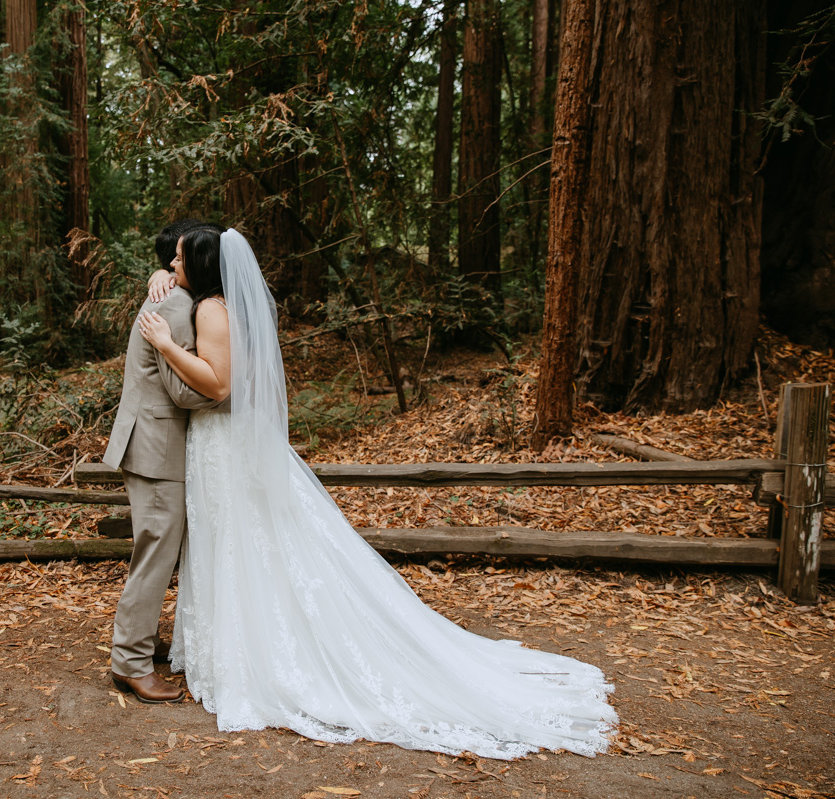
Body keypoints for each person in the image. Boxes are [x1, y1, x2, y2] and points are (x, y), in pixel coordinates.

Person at [135, 227, 617, 758]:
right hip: (231, 442)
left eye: (178, 259)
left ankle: (256, 653)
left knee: (240, 543)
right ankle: (243, 641)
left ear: (202, 266)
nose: (171, 264)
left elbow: (219, 384)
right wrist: (162, 282)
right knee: (249, 543)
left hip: (223, 445)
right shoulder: (230, 304)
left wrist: (164, 344)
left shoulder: (210, 310)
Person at [102, 220, 225, 703]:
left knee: (156, 549)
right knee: (155, 553)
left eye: (179, 259)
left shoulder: (175, 296)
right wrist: (229, 393)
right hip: (156, 446)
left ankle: (142, 641)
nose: (172, 265)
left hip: (154, 442)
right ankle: (130, 663)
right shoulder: (176, 304)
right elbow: (182, 392)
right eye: (171, 259)